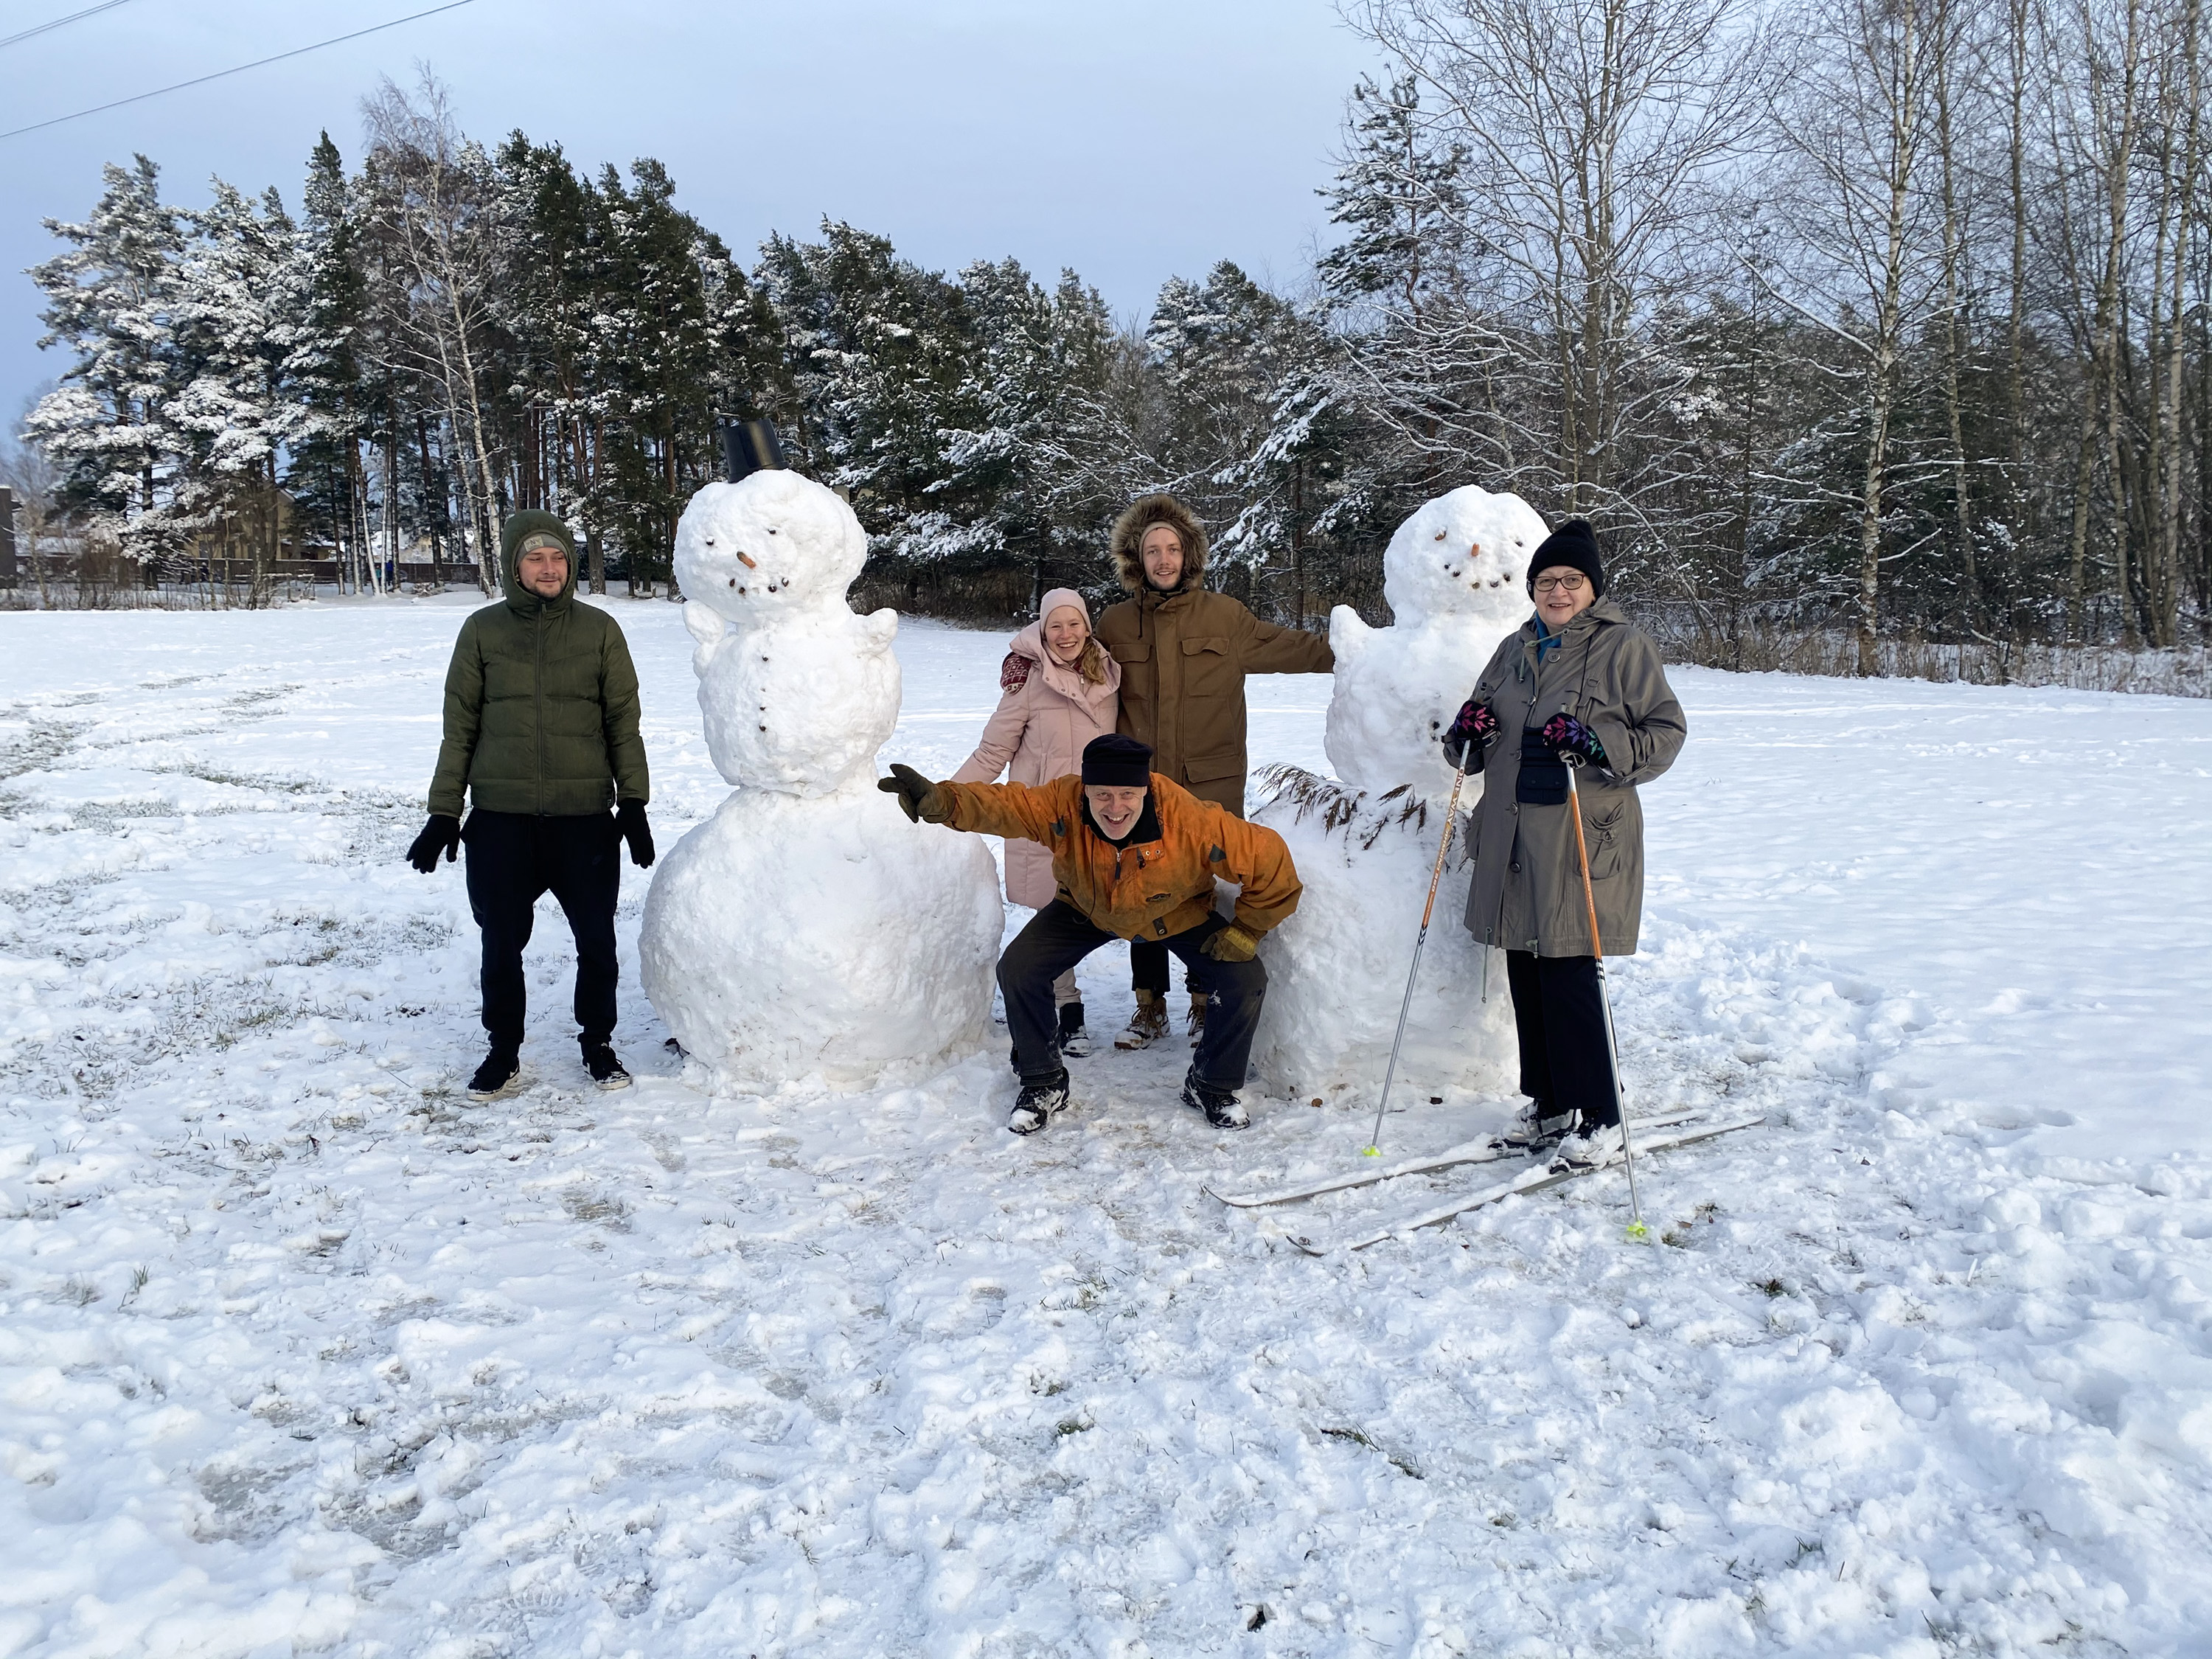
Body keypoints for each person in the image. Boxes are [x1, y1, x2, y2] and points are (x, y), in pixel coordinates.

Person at [878, 734, 1302, 1135]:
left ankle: (1212, 1085)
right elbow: (1006, 805)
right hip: (1086, 908)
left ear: (1145, 792)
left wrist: (1247, 929)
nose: (1114, 808)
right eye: (1102, 794)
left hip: (1175, 913)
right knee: (1020, 968)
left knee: (1244, 978)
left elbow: (1270, 861)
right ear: (1085, 790)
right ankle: (1043, 1080)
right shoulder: (1063, 804)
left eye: (1127, 796)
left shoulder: (1189, 821)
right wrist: (944, 801)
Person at [1443, 519, 1687, 1166]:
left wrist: (1597, 744)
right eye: (1546, 581)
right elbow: (1465, 748)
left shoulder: (1623, 646)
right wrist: (1466, 730)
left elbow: (1666, 735)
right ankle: (1550, 1102)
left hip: (1581, 832)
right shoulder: (1512, 649)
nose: (1557, 592)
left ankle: (1600, 1113)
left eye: (1570, 581)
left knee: (1571, 969)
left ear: (1592, 587)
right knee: (1526, 967)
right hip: (1514, 834)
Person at [404, 510, 656, 1100]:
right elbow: (459, 727)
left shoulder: (599, 631)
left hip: (584, 820)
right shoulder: (482, 630)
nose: (549, 568)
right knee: (500, 944)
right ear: (515, 566)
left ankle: (597, 1044)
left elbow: (624, 724)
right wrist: (445, 810)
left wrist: (634, 803)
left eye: (559, 557)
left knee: (597, 941)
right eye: (536, 558)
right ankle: (504, 1050)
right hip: (501, 820)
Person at [1094, 493, 1333, 1051]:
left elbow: (1294, 648)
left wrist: (1364, 650)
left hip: (1211, 781)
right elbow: (1074, 662)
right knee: (1140, 888)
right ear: (1136, 558)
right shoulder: (1115, 622)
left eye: (1173, 548)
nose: (1163, 558)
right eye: (1152, 549)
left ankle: (1205, 1002)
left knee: (1206, 890)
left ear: (1189, 554)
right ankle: (1148, 1006)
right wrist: (1028, 660)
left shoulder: (1226, 617)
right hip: (1142, 787)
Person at [951, 587, 1122, 1057]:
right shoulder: (1026, 679)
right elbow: (993, 751)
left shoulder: (1107, 672)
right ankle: (1068, 1006)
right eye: (1055, 626)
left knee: (1097, 907)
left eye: (1074, 624)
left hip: (1100, 817)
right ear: (1042, 630)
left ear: (1087, 627)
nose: (1065, 634)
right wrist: (947, 800)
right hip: (1046, 816)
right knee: (1055, 909)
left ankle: (1140, 1001)